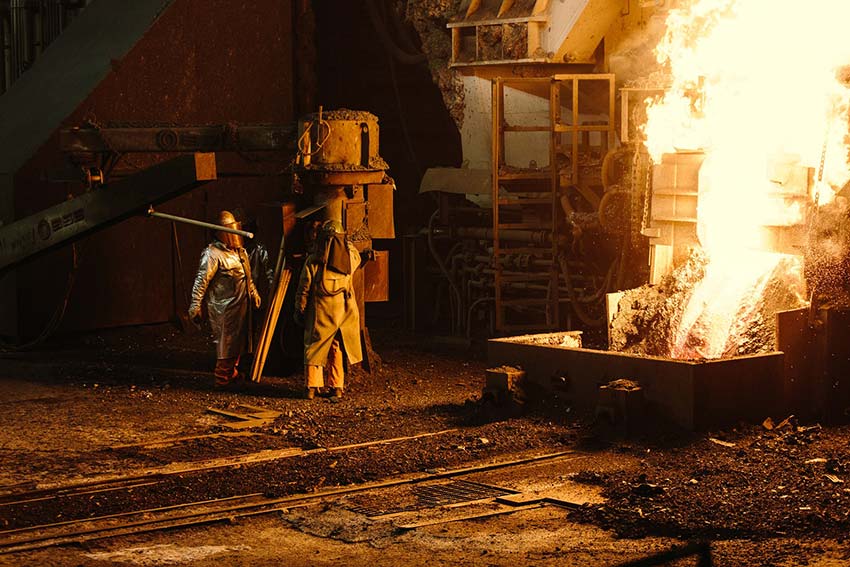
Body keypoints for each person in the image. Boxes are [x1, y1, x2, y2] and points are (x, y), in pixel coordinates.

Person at [294, 219, 372, 400]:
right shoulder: (350, 259)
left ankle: (311, 387)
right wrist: (346, 241)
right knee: (336, 348)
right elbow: (354, 252)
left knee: (314, 348)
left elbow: (303, 290)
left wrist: (299, 309)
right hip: (343, 313)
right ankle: (336, 386)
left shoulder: (312, 262)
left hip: (320, 313)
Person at [189, 210, 261, 388]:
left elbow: (247, 275)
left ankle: (232, 373)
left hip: (241, 305)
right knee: (226, 344)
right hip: (223, 309)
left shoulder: (240, 252)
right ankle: (222, 379)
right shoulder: (212, 254)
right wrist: (195, 305)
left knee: (238, 342)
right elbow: (201, 281)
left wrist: (253, 292)